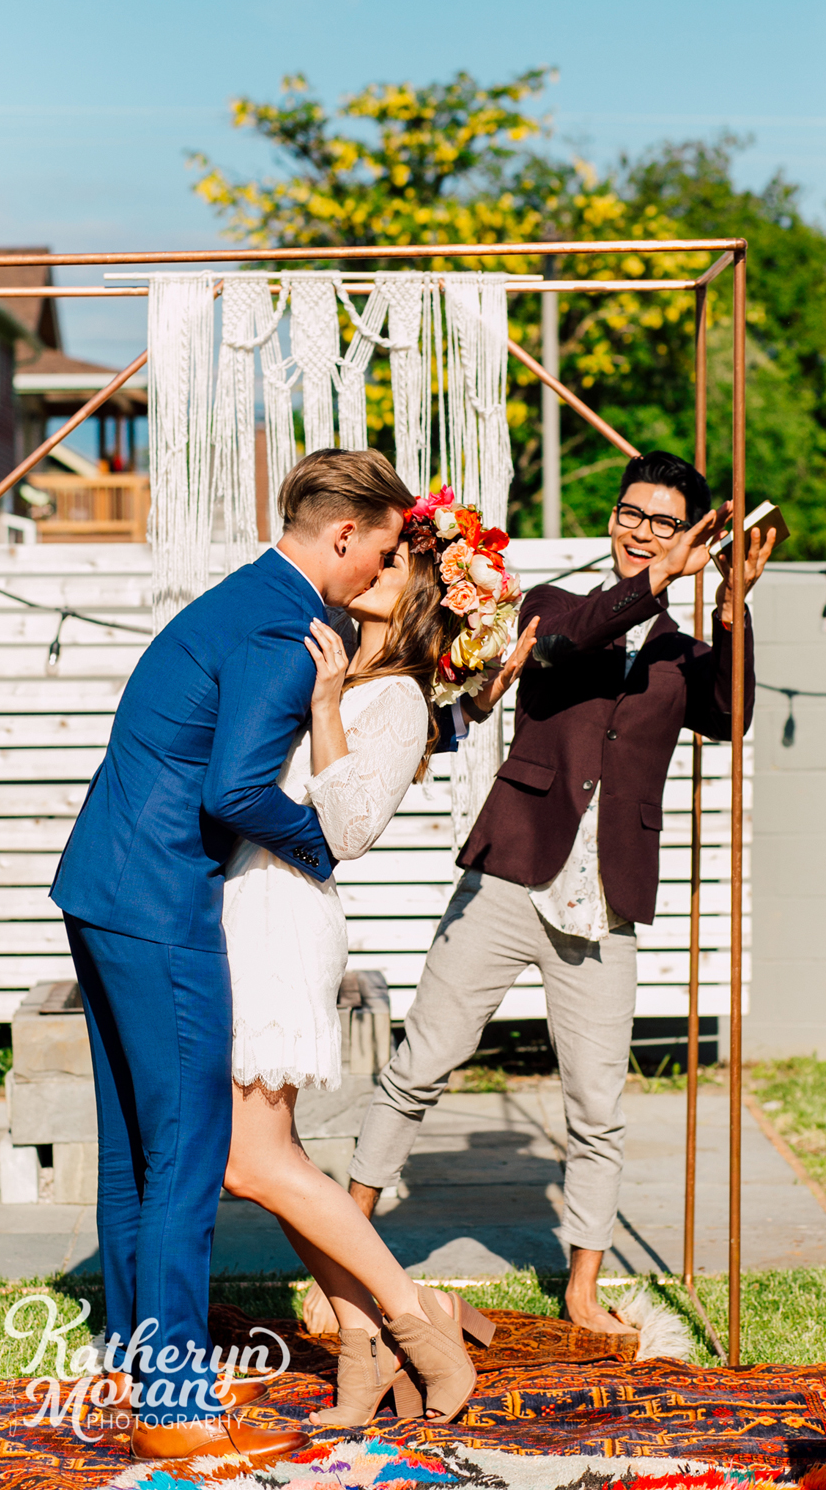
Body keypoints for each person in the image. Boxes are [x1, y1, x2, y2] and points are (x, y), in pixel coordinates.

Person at [346, 450, 775, 1335]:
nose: (642, 531)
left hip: (605, 903)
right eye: (633, 513)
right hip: (510, 874)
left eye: (664, 521)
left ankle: (581, 1290)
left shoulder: (683, 657)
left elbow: (730, 717)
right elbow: (576, 639)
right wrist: (661, 575)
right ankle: (344, 1253)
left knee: (597, 1107)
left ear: (694, 531)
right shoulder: (548, 610)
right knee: (419, 1065)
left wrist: (730, 606)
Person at [50, 449, 415, 1466]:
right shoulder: (282, 628)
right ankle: (172, 1397)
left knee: (135, 1146)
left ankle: (132, 1356)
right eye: (379, 550)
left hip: (103, 885)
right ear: (343, 534)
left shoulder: (240, 597)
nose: (374, 574)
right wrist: (322, 848)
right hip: (164, 902)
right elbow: (236, 792)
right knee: (188, 1157)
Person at [221, 478, 538, 1429]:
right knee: (272, 1158)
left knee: (251, 1163)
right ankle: (365, 1350)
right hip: (248, 904)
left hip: (284, 913)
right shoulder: (346, 666)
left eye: (400, 562)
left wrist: (324, 706)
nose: (378, 561)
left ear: (419, 599)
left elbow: (349, 824)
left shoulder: (393, 696)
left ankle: (414, 1321)